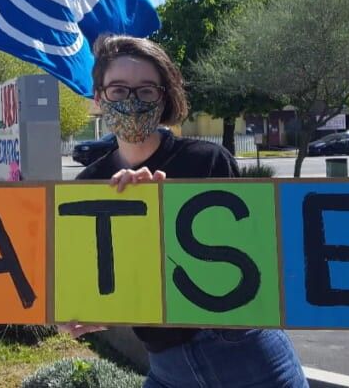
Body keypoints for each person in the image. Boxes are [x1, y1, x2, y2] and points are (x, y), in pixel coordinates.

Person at [62, 35, 308, 388]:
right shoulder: (90, 184)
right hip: (168, 367)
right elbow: (88, 281)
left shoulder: (206, 161)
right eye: (117, 90)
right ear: (99, 98)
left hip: (251, 360)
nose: (131, 102)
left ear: (164, 98)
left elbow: (253, 273)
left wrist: (167, 209)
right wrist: (70, 312)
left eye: (146, 91)